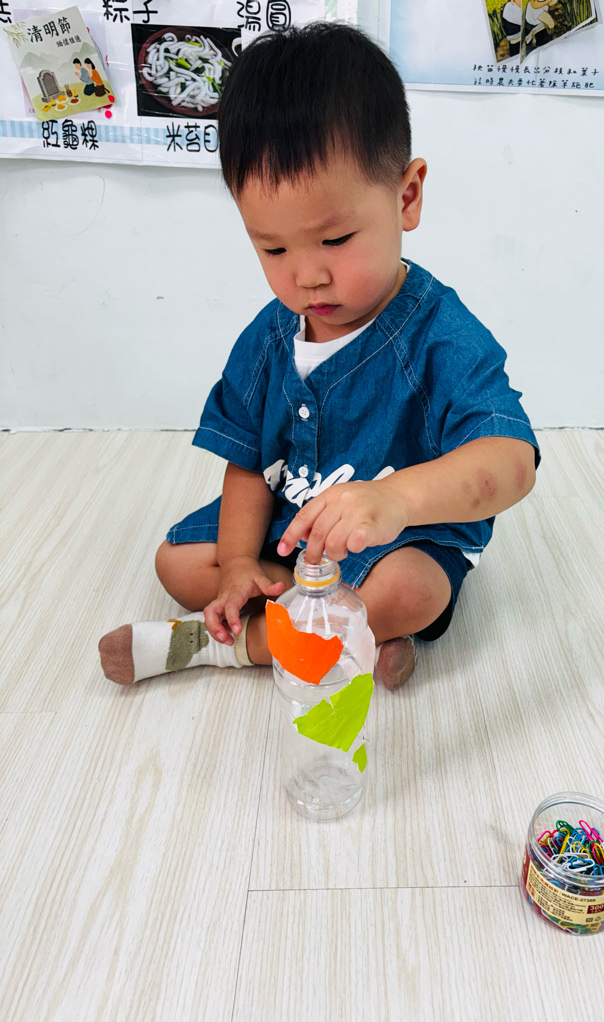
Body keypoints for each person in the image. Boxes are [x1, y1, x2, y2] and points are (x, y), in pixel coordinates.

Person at [98, 22, 540, 691]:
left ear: (406, 196)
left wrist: (394, 500)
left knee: (412, 590)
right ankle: (356, 636)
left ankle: (230, 646)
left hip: (394, 540)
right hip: (293, 531)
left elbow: (512, 462)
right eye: (273, 249)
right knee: (178, 562)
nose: (306, 276)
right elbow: (248, 463)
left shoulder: (442, 336)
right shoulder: (270, 337)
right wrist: (240, 564)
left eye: (334, 240)